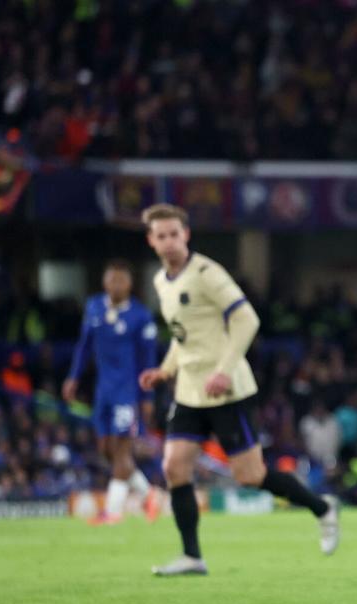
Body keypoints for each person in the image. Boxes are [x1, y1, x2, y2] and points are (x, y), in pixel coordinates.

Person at [135, 204, 339, 576]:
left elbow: (247, 319)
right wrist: (164, 371)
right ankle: (192, 556)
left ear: (186, 235)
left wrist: (225, 371)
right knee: (174, 467)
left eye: (173, 234)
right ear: (151, 240)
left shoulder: (207, 273)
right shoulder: (162, 281)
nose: (167, 241)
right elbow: (185, 338)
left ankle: (321, 507)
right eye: (160, 235)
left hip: (228, 391)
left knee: (250, 475)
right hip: (190, 391)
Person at [63, 260, 159, 525]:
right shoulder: (94, 307)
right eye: (111, 279)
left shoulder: (140, 316)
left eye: (121, 280)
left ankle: (113, 512)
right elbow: (84, 346)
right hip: (102, 392)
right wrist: (73, 377)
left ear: (129, 284)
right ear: (104, 282)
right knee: (107, 449)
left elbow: (148, 359)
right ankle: (150, 494)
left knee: (121, 452)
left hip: (127, 392)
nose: (115, 285)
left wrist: (147, 397)